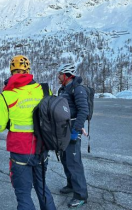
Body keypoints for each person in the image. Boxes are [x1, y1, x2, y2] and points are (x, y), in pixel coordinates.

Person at [0, 55, 56, 210]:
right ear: (28, 70)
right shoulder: (44, 89)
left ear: (11, 71)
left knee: (23, 194)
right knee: (42, 188)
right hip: (42, 147)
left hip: (20, 150)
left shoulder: (6, 95)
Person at [57, 64, 89, 208]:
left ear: (67, 75)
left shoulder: (78, 89)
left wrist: (76, 130)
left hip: (73, 129)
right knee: (65, 159)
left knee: (74, 162)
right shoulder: (63, 89)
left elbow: (83, 110)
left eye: (60, 74)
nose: (58, 76)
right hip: (63, 130)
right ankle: (71, 185)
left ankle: (80, 195)